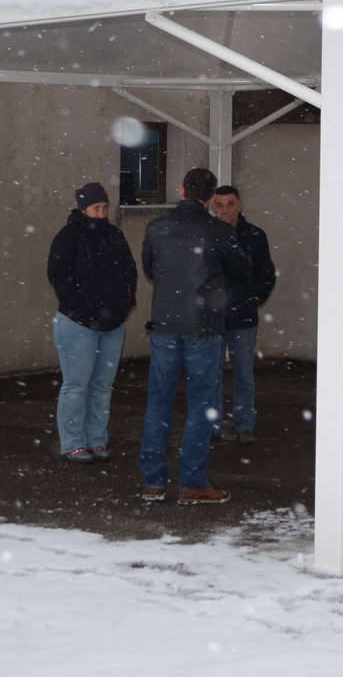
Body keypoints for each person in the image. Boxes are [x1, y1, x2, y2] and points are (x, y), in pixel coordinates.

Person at [137, 166, 250, 504]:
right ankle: (192, 483)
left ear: (182, 191)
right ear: (210, 198)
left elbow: (150, 269)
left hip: (165, 326)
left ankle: (153, 483)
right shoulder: (218, 231)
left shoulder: (156, 227)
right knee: (201, 406)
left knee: (158, 403)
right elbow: (241, 270)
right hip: (203, 327)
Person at [46, 181, 138, 463]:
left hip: (111, 325)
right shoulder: (68, 236)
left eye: (104, 208)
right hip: (78, 324)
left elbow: (129, 273)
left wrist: (123, 305)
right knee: (76, 385)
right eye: (96, 208)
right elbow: (58, 275)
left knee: (102, 387)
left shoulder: (114, 236)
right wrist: (82, 308)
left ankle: (97, 441)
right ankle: (73, 443)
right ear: (83, 208)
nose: (101, 213)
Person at [208, 184, 276, 444]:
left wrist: (253, 300)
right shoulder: (206, 234)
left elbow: (266, 274)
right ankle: (213, 428)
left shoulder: (255, 235)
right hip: (213, 317)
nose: (225, 210)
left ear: (240, 205)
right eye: (219, 205)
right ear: (212, 206)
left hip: (243, 316)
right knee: (211, 374)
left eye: (230, 204)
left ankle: (244, 426)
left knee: (244, 374)